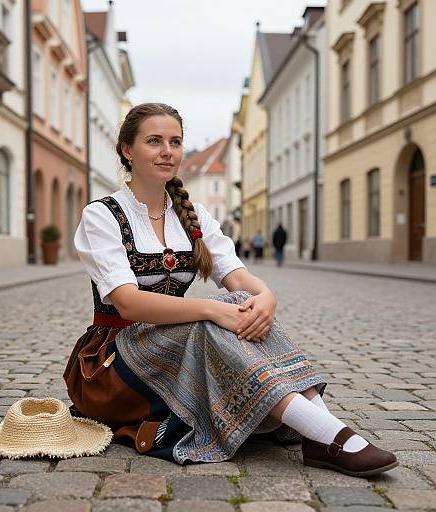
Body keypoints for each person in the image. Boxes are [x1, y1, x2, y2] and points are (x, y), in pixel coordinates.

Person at [64, 103, 397, 475]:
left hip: (174, 346)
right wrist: (211, 309)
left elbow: (239, 277)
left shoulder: (192, 215)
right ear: (128, 149)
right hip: (112, 362)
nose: (167, 151)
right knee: (213, 316)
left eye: (175, 141)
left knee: (239, 301)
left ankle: (323, 432)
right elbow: (128, 303)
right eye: (154, 141)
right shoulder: (102, 215)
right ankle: (326, 432)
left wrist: (266, 298)